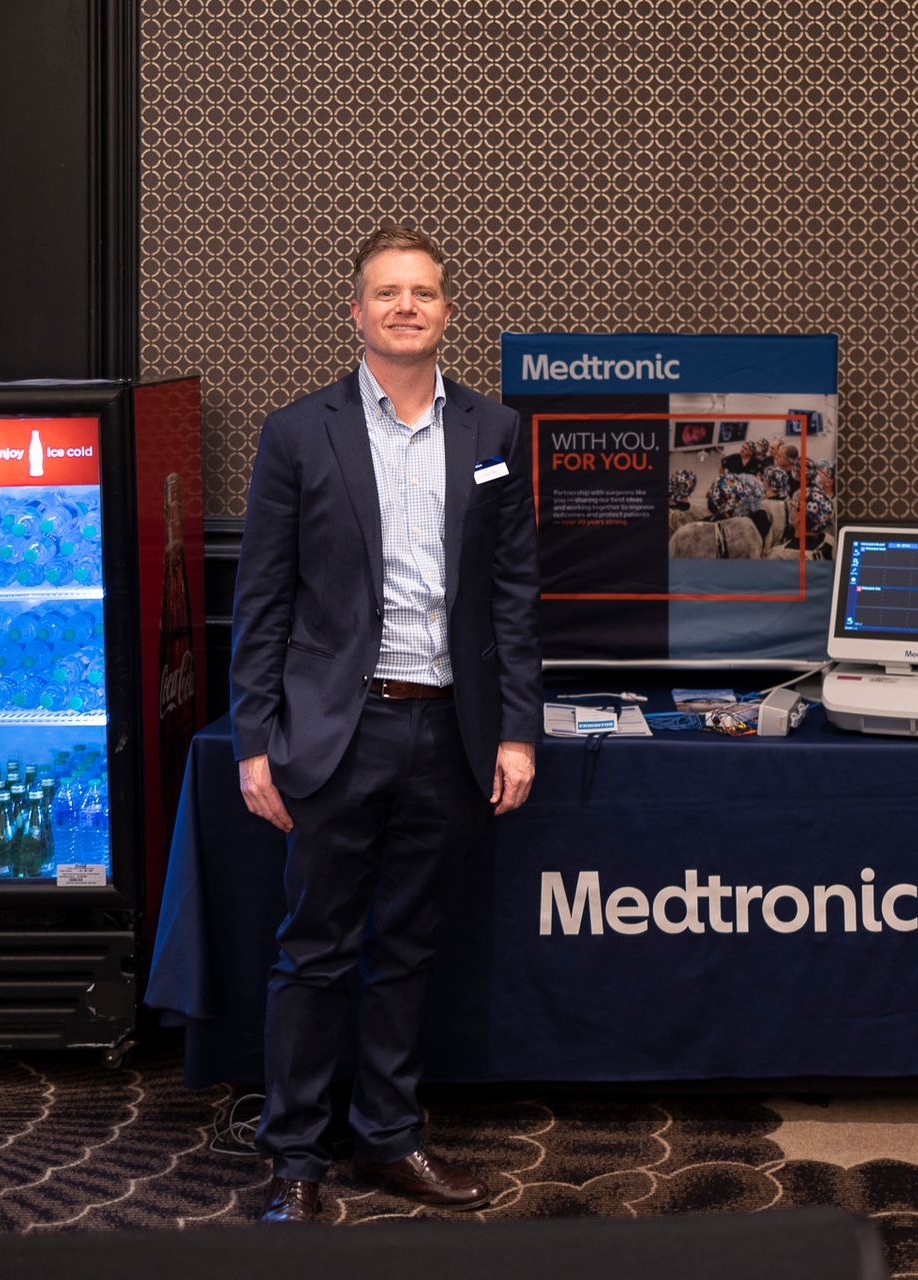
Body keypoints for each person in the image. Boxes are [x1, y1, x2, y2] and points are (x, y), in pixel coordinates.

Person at [229, 225, 542, 1224]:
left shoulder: (494, 433)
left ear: (448, 312)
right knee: (314, 950)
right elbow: (264, 599)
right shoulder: (297, 432)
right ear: (355, 311)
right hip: (334, 733)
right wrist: (250, 740)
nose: (407, 306)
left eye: (425, 292)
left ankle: (390, 1137)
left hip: (449, 731)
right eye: (387, 292)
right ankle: (296, 1157)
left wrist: (517, 729)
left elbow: (511, 593)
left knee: (407, 950)